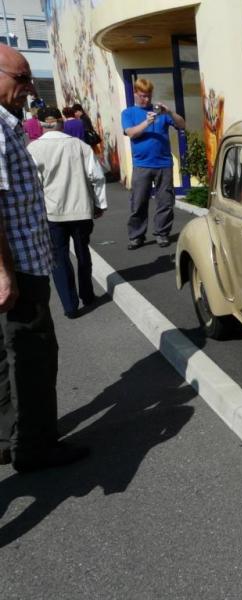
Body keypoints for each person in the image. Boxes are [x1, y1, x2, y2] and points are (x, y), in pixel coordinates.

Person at [0, 45, 89, 472]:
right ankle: (35, 447)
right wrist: (4, 273)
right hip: (18, 267)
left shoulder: (9, 122)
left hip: (18, 263)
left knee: (8, 354)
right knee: (34, 357)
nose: (29, 88)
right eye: (21, 79)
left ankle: (10, 437)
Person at [27, 106, 106, 318]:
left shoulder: (34, 149)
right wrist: (99, 204)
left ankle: (70, 306)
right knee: (83, 252)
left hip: (52, 212)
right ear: (61, 122)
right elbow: (96, 177)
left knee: (59, 258)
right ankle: (88, 294)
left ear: (40, 124)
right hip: (80, 209)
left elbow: (33, 184)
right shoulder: (79, 145)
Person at [121, 78, 185, 249]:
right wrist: (146, 122)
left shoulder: (161, 113)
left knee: (165, 201)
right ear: (135, 94)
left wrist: (170, 113)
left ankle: (162, 233)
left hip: (163, 164)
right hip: (142, 164)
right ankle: (136, 236)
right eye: (142, 96)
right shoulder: (128, 113)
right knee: (139, 202)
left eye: (148, 96)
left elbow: (182, 125)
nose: (146, 100)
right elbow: (131, 133)